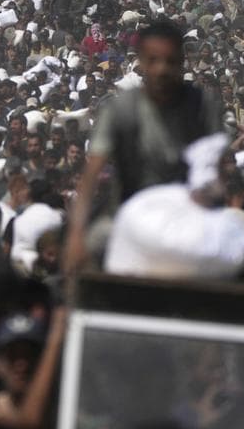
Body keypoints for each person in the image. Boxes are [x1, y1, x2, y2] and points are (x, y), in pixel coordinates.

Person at [65, 19, 222, 272]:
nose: (162, 70)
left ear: (182, 62)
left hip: (190, 216)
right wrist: (76, 236)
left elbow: (216, 171)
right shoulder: (122, 108)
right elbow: (91, 175)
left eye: (170, 61)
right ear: (141, 62)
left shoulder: (202, 107)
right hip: (127, 216)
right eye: (153, 60)